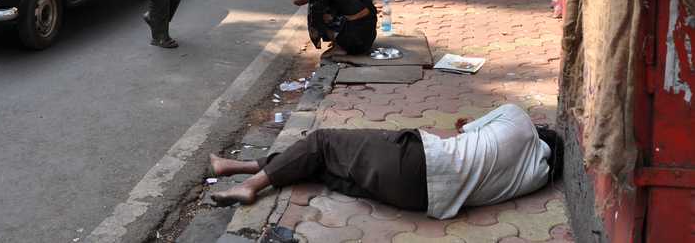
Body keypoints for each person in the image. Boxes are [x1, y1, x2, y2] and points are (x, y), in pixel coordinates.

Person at [208, 104, 562, 221]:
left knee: (322, 141)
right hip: (419, 201)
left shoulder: (518, 118)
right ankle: (239, 168)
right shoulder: (537, 177)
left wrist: (468, 128)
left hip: (420, 161)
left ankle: (249, 185)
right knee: (322, 165)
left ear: (540, 129)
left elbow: (466, 127)